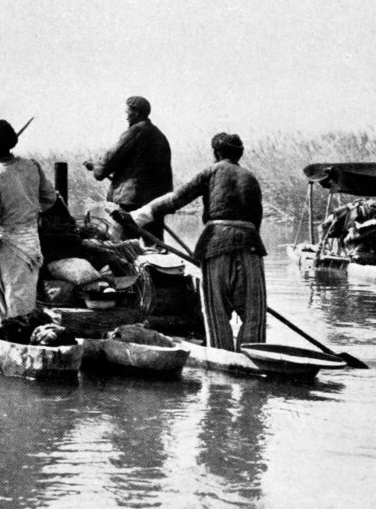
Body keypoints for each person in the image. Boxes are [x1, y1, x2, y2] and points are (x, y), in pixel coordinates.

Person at [118, 132, 265, 352]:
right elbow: (256, 219)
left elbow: (176, 199)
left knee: (217, 313)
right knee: (254, 314)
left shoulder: (212, 171)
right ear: (239, 154)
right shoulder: (251, 178)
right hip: (250, 246)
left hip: (216, 243)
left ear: (216, 153)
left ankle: (221, 360)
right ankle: (254, 357)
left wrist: (136, 217)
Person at [0, 119, 57, 322]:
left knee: (13, 305)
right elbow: (50, 198)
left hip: (9, 248)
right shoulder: (31, 166)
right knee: (23, 298)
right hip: (32, 243)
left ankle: (14, 334)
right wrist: (30, 212)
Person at [85, 95, 173, 241]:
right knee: (155, 247)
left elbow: (110, 160)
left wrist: (96, 166)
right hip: (156, 205)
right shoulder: (160, 136)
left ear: (136, 113)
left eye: (127, 113)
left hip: (132, 204)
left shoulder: (135, 132)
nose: (126, 117)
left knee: (125, 247)